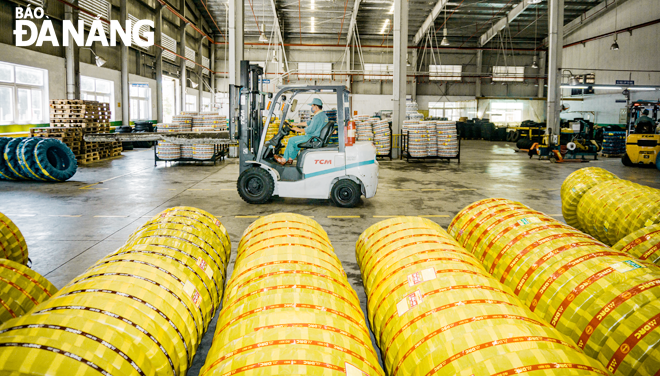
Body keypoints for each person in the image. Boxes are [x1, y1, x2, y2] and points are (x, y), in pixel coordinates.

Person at [274, 98, 328, 165]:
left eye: (312, 106)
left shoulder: (317, 117)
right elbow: (309, 123)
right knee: (297, 143)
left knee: (291, 140)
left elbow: (310, 130)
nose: (311, 108)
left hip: (312, 137)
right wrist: (296, 124)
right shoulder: (323, 116)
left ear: (316, 107)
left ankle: (284, 159)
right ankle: (290, 159)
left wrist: (298, 129)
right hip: (316, 137)